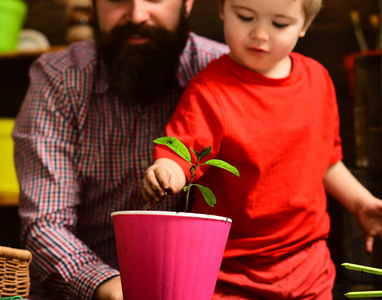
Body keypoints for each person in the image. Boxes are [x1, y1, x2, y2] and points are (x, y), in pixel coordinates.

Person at [141, 0, 382, 298]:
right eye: (245, 17)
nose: (259, 34)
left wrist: (361, 204)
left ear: (304, 25)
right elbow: (182, 155)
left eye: (279, 24)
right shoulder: (210, 91)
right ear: (222, 9)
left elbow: (325, 161)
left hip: (308, 266)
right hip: (230, 272)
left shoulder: (318, 80)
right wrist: (167, 172)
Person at [12, 0, 229, 298]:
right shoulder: (59, 77)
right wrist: (107, 285)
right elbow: (45, 223)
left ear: (187, 3)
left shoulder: (226, 75)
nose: (137, 14)